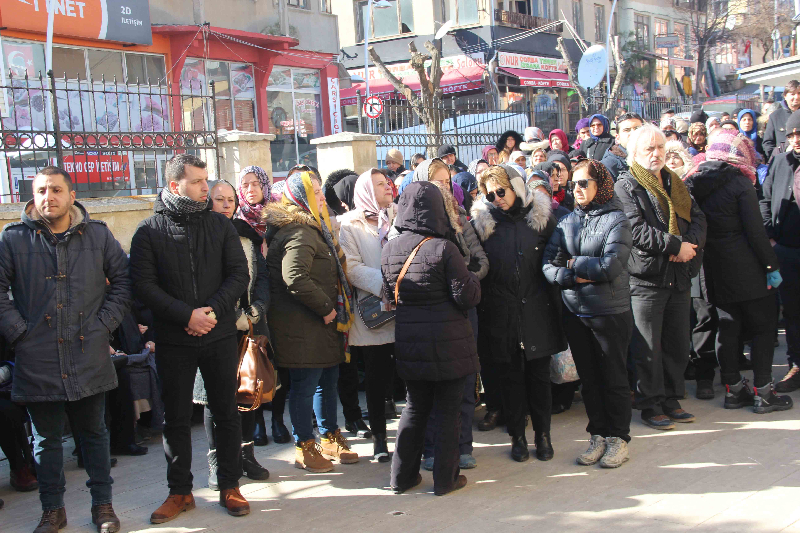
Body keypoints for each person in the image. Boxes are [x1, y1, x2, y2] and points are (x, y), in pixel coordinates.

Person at [0, 166, 131, 533]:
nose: (48, 198)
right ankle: (52, 510)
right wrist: (19, 333)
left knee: (94, 434)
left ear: (72, 196)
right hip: (37, 355)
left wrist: (104, 323)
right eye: (41, 191)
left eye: (56, 190)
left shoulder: (98, 236)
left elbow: (122, 281)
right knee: (47, 441)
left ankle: (103, 506)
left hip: (87, 350)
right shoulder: (12, 240)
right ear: (32, 195)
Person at [130, 154, 251, 522]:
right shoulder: (149, 230)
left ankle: (230, 485)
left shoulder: (220, 225)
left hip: (218, 333)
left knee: (225, 412)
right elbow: (144, 286)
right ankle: (180, 492)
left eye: (206, 180)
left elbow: (237, 275)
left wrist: (210, 312)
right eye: (198, 181)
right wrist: (186, 316)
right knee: (177, 418)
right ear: (174, 185)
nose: (206, 187)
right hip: (174, 338)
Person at [382, 181, 481, 496]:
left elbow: (388, 296)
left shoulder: (390, 248)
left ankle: (402, 476)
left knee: (414, 408)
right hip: (449, 344)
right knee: (449, 412)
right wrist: (474, 277)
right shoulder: (444, 248)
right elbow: (466, 296)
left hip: (410, 344)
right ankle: (445, 479)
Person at [685, 131, 792, 412]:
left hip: (712, 270)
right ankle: (764, 392)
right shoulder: (739, 183)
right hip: (748, 269)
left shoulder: (692, 181)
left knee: (727, 329)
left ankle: (733, 390)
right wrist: (771, 267)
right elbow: (756, 233)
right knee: (762, 328)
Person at [264, 170, 358, 473]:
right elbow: (294, 276)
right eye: (315, 192)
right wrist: (327, 308)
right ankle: (304, 445)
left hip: (320, 326)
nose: (321, 196)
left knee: (327, 383)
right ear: (301, 198)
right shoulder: (299, 230)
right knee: (306, 387)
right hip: (304, 325)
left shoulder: (313, 226)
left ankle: (330, 436)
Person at [471, 165, 566, 462]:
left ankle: (543, 435)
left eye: (502, 191)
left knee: (539, 378)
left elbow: (558, 253)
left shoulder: (540, 219)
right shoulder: (484, 225)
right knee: (509, 379)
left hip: (537, 309)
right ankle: (518, 437)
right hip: (501, 313)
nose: (497, 198)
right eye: (490, 194)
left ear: (516, 187)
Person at [615, 124, 707, 430]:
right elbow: (634, 229)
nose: (656, 154)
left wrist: (689, 247)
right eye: (649, 149)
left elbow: (698, 217)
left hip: (678, 275)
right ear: (635, 153)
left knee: (677, 343)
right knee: (647, 348)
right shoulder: (626, 185)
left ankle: (670, 398)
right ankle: (649, 403)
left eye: (660, 148)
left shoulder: (674, 182)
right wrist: (675, 245)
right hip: (646, 279)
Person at [543, 159, 634, 468]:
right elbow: (548, 265)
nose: (577, 189)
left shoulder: (617, 220)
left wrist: (571, 263)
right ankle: (598, 433)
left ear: (600, 186)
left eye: (584, 183)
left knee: (614, 376)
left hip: (608, 311)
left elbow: (610, 267)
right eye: (574, 184)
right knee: (590, 380)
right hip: (575, 312)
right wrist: (572, 273)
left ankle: (619, 437)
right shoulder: (567, 221)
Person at [193, 176, 272, 489]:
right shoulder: (198, 237)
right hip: (216, 328)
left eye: (230, 200)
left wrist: (257, 310)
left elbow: (263, 279)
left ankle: (246, 455)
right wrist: (231, 315)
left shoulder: (248, 236)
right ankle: (217, 462)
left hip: (251, 328)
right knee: (215, 399)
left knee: (249, 392)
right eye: (218, 199)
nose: (225, 205)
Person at [411, 159, 489, 470]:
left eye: (447, 180)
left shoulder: (460, 218)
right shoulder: (410, 221)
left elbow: (481, 260)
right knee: (433, 384)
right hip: (431, 313)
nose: (444, 186)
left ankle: (463, 444)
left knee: (466, 378)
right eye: (436, 181)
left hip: (463, 308)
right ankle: (432, 448)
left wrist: (466, 279)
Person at [337, 168, 398, 462]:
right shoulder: (350, 224)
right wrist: (388, 286)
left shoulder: (399, 214)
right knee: (375, 380)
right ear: (365, 190)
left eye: (387, 181)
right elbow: (351, 267)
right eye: (379, 184)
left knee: (407, 377)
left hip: (405, 311)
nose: (387, 186)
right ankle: (379, 441)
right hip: (374, 312)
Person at [761, 109, 800, 392]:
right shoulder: (780, 161)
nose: (796, 139)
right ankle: (795, 366)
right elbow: (764, 197)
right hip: (786, 250)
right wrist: (771, 237)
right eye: (793, 134)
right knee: (793, 312)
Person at [602, 112, 644, 181]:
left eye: (637, 128)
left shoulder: (653, 156)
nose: (633, 133)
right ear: (617, 138)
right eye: (627, 130)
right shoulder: (608, 165)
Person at [764, 81, 800, 160]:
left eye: (799, 93)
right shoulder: (775, 116)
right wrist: (776, 159)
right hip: (783, 161)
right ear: (785, 96)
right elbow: (768, 143)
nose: (797, 97)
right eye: (793, 94)